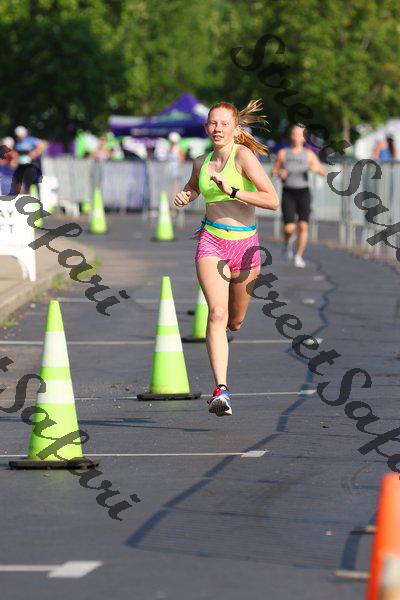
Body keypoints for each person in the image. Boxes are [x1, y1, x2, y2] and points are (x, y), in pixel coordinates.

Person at [174, 100, 279, 417]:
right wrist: (186, 195)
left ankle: (224, 378)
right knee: (217, 313)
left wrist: (233, 190)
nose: (217, 129)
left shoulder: (243, 157)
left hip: (245, 247)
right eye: (212, 123)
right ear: (206, 127)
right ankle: (221, 390)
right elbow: (194, 187)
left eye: (223, 123)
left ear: (235, 128)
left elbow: (272, 200)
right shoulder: (201, 162)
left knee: (235, 321)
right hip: (212, 242)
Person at [271, 124, 327, 268]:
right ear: (291, 135)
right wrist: (279, 173)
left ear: (304, 138)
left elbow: (323, 172)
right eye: (294, 133)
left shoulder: (309, 154)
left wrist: (316, 168)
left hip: (303, 192)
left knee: (303, 226)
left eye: (299, 134)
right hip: (288, 192)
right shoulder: (283, 153)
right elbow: (273, 171)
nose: (296, 136)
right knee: (289, 228)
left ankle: (298, 255)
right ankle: (287, 243)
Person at [12, 126, 47, 193]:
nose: (20, 137)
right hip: (21, 166)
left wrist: (35, 153)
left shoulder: (31, 140)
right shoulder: (17, 143)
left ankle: (34, 196)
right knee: (19, 181)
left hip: (32, 166)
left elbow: (42, 145)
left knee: (32, 182)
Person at [166, 131, 185, 215]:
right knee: (171, 191)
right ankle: (172, 207)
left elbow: (181, 161)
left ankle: (175, 208)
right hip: (170, 173)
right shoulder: (170, 148)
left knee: (175, 191)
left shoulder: (178, 149)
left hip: (176, 173)